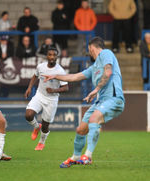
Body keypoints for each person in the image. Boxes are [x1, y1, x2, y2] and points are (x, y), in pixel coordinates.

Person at [43, 36, 124, 168]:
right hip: (100, 102)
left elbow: (108, 72)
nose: (89, 52)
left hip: (114, 98)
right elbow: (76, 76)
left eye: (89, 49)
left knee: (94, 119)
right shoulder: (94, 67)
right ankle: (75, 157)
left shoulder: (106, 53)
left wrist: (96, 89)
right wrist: (55, 76)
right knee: (81, 129)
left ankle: (88, 156)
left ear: (92, 47)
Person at [25, 47, 68, 151]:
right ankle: (36, 127)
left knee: (45, 125)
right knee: (28, 115)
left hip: (51, 100)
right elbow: (35, 76)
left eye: (54, 55)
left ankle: (41, 142)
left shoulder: (60, 71)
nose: (52, 57)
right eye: (50, 54)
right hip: (40, 95)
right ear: (46, 56)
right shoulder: (41, 67)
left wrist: (53, 90)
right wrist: (30, 87)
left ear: (57, 57)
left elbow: (66, 88)